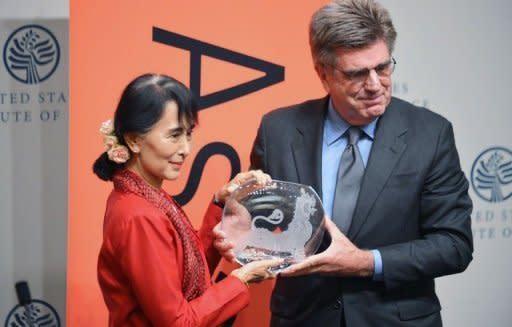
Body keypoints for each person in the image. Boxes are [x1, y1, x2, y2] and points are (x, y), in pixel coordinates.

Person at [215, 0, 473, 326]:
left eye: (382, 67)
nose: (375, 84)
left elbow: (454, 245)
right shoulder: (277, 130)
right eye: (356, 73)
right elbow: (265, 228)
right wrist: (242, 240)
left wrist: (366, 262)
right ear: (322, 73)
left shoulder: (431, 134)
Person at [93, 73, 280, 327]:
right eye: (174, 135)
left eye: (188, 134)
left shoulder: (144, 195)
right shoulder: (139, 214)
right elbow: (179, 322)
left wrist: (221, 202)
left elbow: (184, 272)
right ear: (134, 140)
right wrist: (242, 279)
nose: (186, 148)